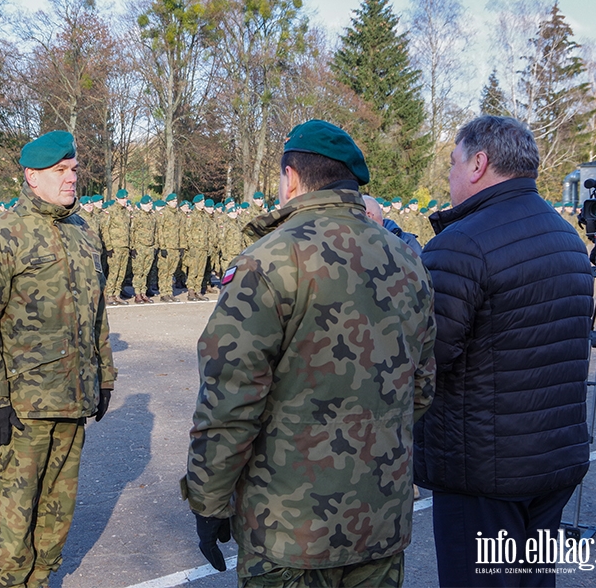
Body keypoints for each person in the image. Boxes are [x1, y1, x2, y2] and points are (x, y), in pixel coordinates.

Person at [183, 120, 436, 587]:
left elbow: (230, 399)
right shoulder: (407, 262)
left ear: (292, 178)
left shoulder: (269, 260)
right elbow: (421, 389)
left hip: (290, 531)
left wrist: (208, 500)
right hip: (379, 523)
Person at [415, 115, 593, 587]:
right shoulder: (566, 238)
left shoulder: (462, 244)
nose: (448, 175)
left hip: (484, 475)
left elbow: (423, 358)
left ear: (479, 163)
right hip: (551, 460)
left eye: (452, 162)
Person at [0, 131, 116, 588]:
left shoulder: (84, 231)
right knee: (14, 525)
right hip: (24, 406)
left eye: (73, 169)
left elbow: (97, 311)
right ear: (32, 177)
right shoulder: (4, 233)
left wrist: (104, 377)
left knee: (55, 520)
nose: (72, 178)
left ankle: (42, 580)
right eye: (60, 171)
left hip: (73, 400)